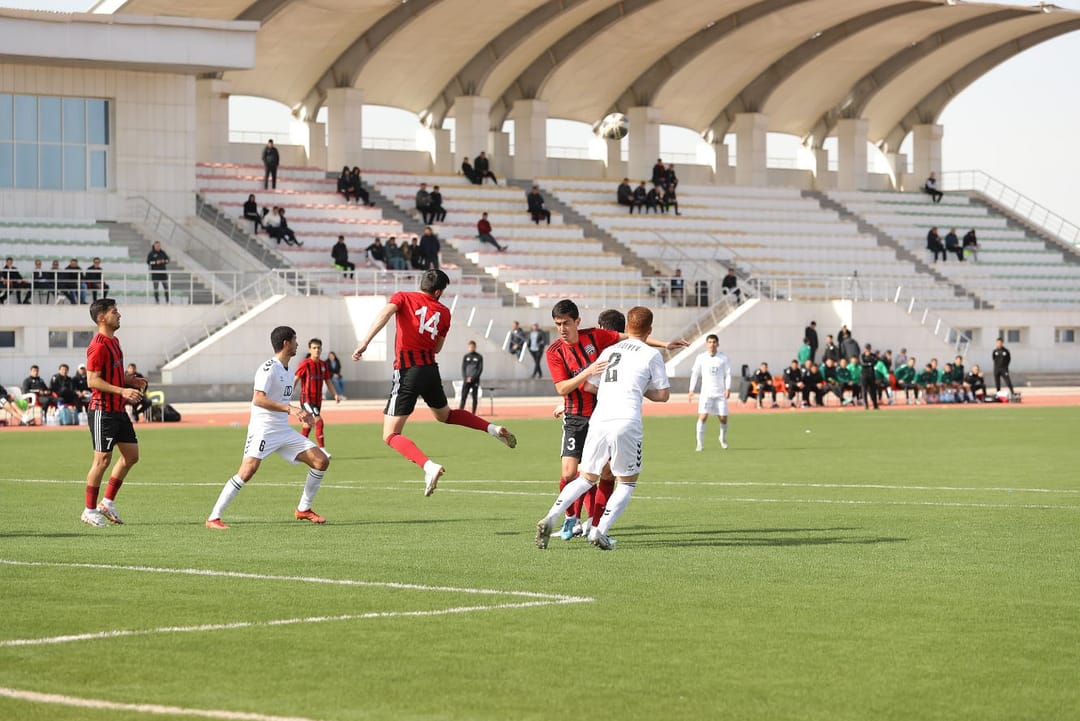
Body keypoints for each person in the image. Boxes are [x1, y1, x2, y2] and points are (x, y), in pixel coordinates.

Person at [351, 270, 517, 495]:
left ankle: (429, 466)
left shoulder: (403, 297)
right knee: (445, 415)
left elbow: (385, 313)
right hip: (430, 370)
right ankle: (492, 428)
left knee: (390, 434)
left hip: (408, 371)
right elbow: (437, 347)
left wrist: (365, 342)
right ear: (438, 292)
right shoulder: (444, 312)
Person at [543, 300, 684, 542]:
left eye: (566, 323)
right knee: (599, 478)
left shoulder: (602, 344)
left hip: (599, 416)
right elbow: (662, 395)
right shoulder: (555, 351)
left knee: (594, 475)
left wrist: (665, 344)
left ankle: (574, 521)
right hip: (600, 417)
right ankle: (585, 525)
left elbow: (593, 382)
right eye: (558, 324)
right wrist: (634, 387)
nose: (562, 328)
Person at [206, 326, 330, 529]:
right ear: (286, 343)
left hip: (283, 430)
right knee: (247, 471)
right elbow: (258, 399)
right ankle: (213, 518)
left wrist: (300, 413)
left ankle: (303, 509)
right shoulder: (268, 368)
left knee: (321, 461)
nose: (298, 344)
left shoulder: (288, 369)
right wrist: (290, 409)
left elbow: (281, 400)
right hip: (263, 429)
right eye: (295, 340)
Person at [81, 298, 146, 527]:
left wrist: (129, 380)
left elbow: (112, 374)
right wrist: (122, 390)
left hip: (117, 410)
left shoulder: (114, 342)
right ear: (102, 318)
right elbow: (92, 380)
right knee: (102, 460)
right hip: (103, 411)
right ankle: (89, 510)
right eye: (114, 311)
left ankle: (106, 502)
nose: (119, 315)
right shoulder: (98, 346)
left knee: (131, 456)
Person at [294, 337, 342, 458]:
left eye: (319, 348)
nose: (317, 350)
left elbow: (328, 381)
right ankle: (322, 450)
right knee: (318, 420)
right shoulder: (305, 364)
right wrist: (287, 393)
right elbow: (296, 379)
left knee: (307, 425)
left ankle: (298, 450)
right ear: (310, 349)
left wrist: (335, 394)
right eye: (314, 348)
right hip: (307, 399)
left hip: (317, 400)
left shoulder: (323, 365)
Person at [688, 334, 732, 451]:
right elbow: (695, 374)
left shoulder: (723, 358)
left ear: (717, 344)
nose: (712, 344)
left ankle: (722, 438)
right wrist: (691, 389)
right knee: (703, 417)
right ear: (706, 344)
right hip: (706, 393)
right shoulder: (701, 357)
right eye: (710, 342)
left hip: (720, 393)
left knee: (723, 419)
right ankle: (699, 444)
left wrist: (728, 388)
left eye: (714, 342)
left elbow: (728, 374)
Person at [460, 340, 483, 414]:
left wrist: (472, 378)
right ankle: (460, 413)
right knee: (463, 397)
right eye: (470, 347)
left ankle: (473, 413)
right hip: (466, 380)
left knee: (474, 398)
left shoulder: (479, 357)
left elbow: (480, 369)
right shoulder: (466, 357)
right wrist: (465, 378)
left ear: (475, 347)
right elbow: (463, 368)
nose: (471, 348)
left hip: (475, 381)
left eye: (472, 347)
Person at [860, 344, 880, 410]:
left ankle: (875, 405)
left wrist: (869, 360)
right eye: (866, 348)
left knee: (873, 390)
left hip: (871, 374)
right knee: (864, 390)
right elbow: (862, 363)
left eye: (868, 348)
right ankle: (866, 405)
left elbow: (875, 362)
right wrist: (869, 363)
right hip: (864, 375)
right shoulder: (862, 355)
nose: (867, 350)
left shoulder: (873, 355)